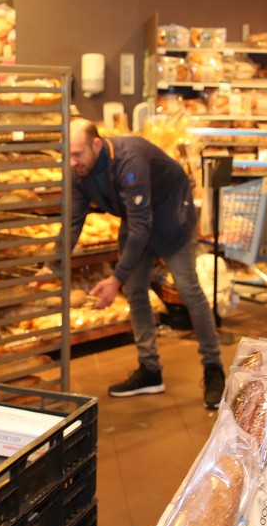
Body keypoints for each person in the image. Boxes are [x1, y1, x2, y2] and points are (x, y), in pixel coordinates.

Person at [67, 119, 227, 408]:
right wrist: (52, 265)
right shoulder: (80, 172)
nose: (72, 162)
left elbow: (142, 227)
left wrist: (116, 278)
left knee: (189, 291)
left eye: (77, 154)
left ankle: (214, 369)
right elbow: (73, 221)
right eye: (67, 155)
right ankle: (150, 370)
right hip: (137, 219)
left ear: (96, 145)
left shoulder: (130, 160)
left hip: (172, 218)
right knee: (136, 292)